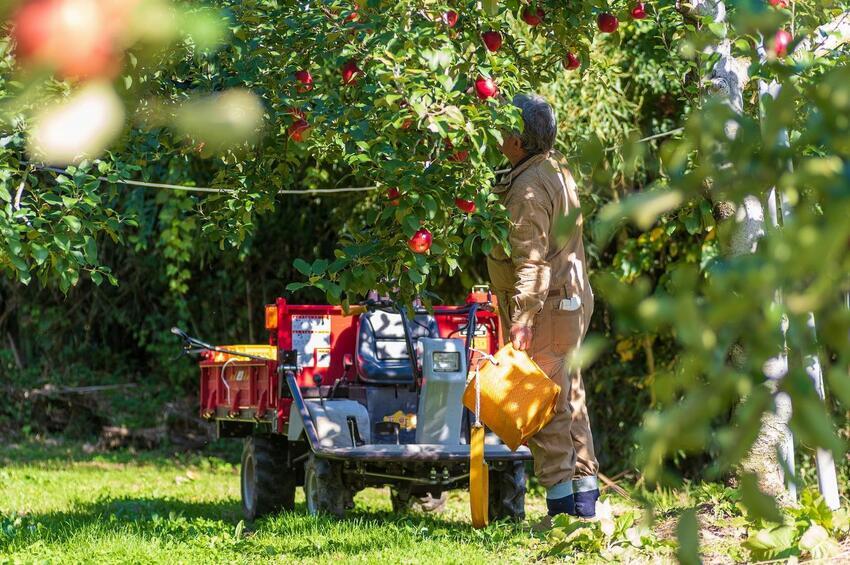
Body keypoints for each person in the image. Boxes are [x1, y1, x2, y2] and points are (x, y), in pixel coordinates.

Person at [487, 93, 599, 519]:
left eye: (504, 127)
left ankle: (562, 514)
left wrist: (522, 320)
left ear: (517, 141)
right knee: (570, 397)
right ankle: (585, 503)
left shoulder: (528, 190)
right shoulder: (554, 168)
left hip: (547, 308)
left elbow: (531, 262)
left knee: (545, 404)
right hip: (569, 301)